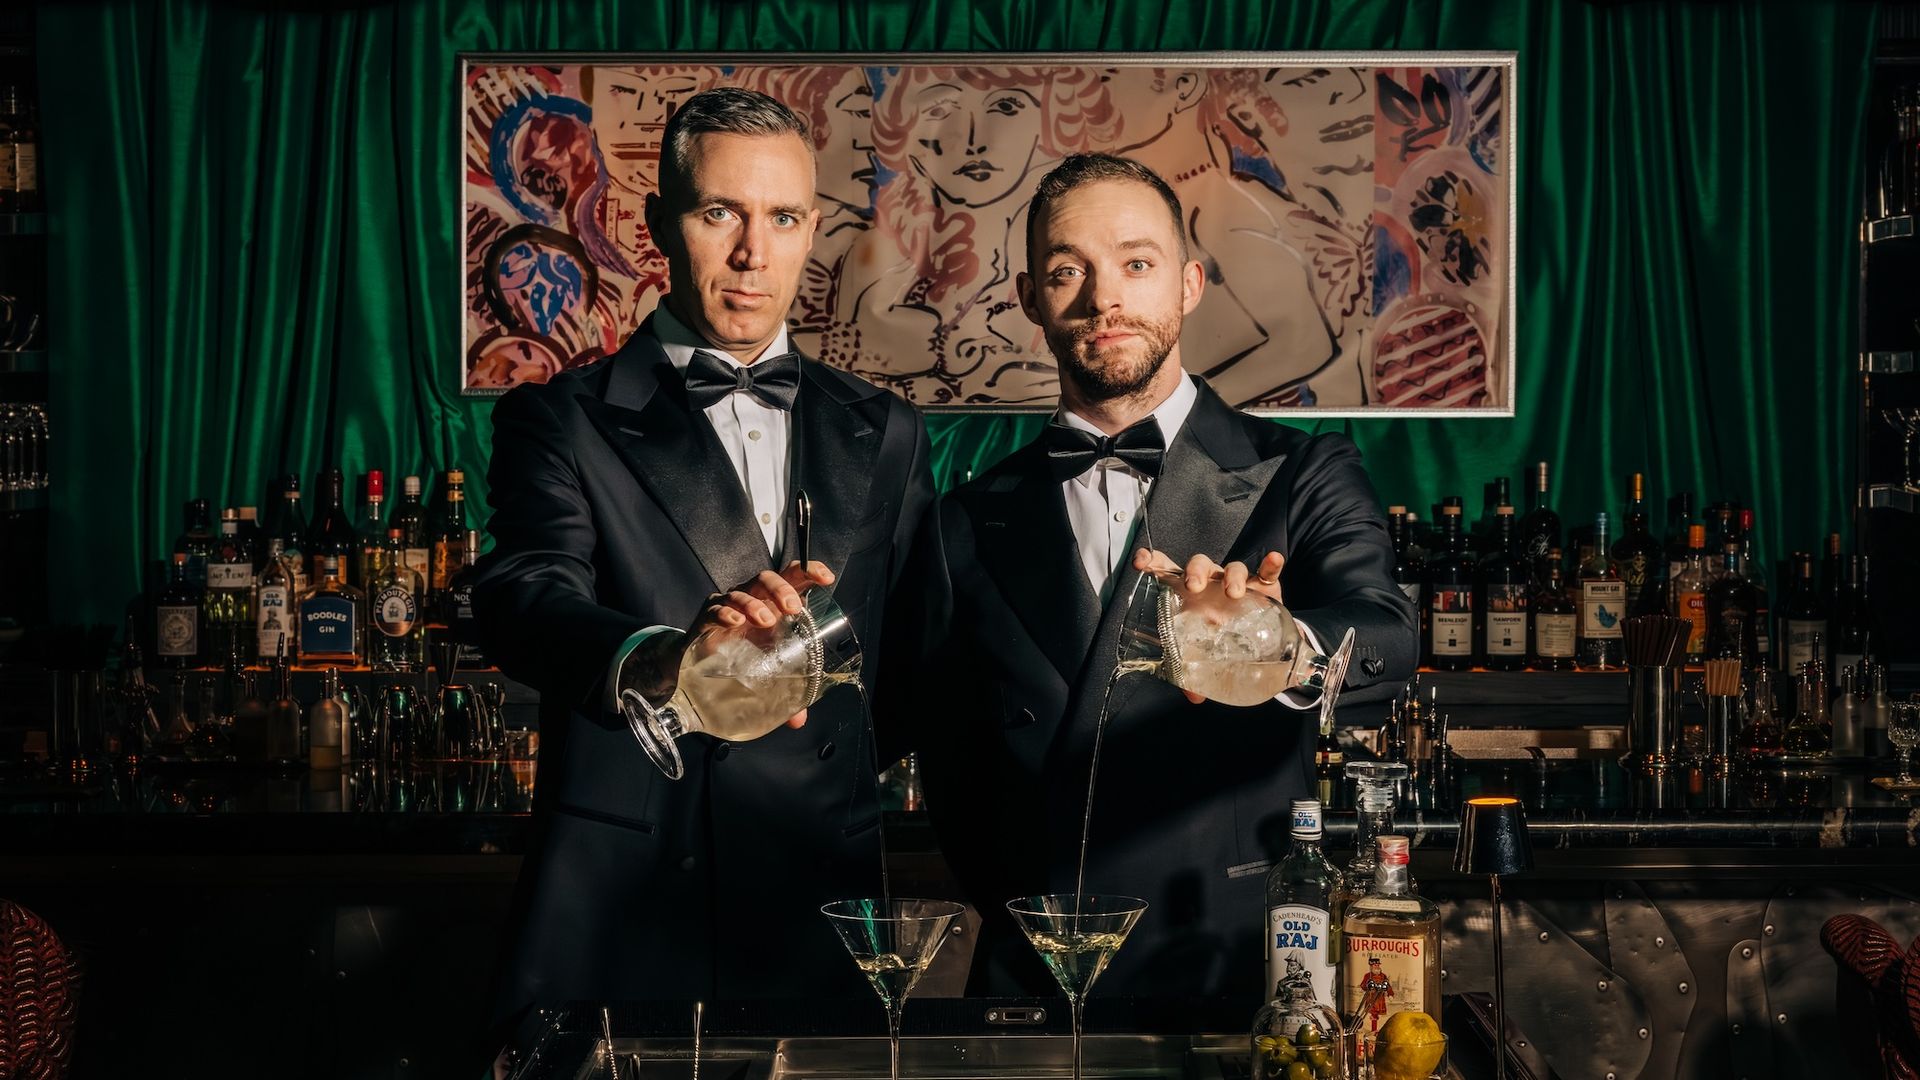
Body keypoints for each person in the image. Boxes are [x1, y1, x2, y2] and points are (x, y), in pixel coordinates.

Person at [472, 87, 934, 1041]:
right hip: (631, 899)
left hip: (821, 899)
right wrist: (666, 656)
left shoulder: (885, 431)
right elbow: (523, 595)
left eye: (784, 218)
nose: (752, 253)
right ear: (656, 226)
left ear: (813, 231)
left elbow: (926, 650)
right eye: (719, 212)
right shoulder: (563, 417)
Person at [900, 153, 1416, 1001]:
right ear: (1030, 298)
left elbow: (1388, 635)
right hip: (1037, 975)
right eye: (1070, 271)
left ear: (1187, 283)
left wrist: (1277, 645)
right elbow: (948, 754)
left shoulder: (1300, 473)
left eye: (1137, 265)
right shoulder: (964, 520)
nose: (1106, 298)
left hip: (1232, 961)